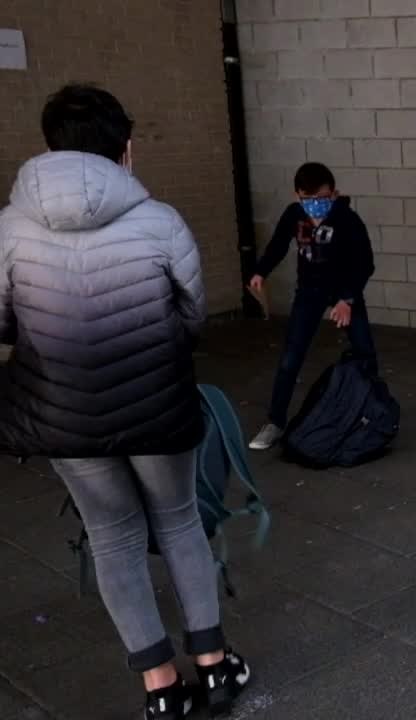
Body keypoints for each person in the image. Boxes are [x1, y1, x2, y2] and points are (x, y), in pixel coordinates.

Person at [0, 84, 251, 718]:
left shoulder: (7, 229)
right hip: (155, 405)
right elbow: (191, 314)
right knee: (180, 522)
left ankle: (161, 689)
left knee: (112, 539)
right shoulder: (160, 220)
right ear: (126, 150)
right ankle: (215, 669)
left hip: (63, 413)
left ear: (51, 145)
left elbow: (3, 326)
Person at [247, 162, 376, 450]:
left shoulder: (347, 219)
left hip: (344, 290)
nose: (316, 206)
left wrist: (347, 299)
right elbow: (278, 245)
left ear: (334, 193)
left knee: (364, 352)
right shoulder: (295, 215)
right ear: (298, 197)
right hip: (309, 291)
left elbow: (364, 263)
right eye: (309, 200)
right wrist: (260, 272)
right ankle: (275, 422)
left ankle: (373, 413)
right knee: (291, 358)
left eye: (322, 198)